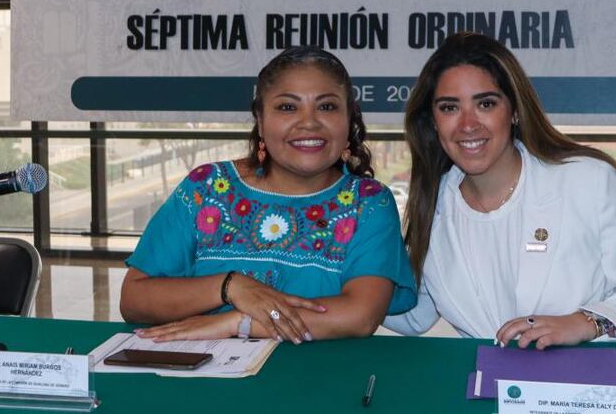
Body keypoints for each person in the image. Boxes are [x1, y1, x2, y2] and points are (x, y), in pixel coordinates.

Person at [383, 32, 616, 347]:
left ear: (514, 111)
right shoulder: (435, 202)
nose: (468, 124)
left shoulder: (589, 181)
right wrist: (337, 264)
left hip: (581, 385)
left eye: (485, 104)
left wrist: (583, 323)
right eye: (450, 108)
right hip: (487, 388)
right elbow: (414, 313)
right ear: (433, 122)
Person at [120, 47, 417, 344]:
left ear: (349, 118)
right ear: (260, 121)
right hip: (201, 379)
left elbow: (360, 316)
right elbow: (135, 299)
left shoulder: (368, 202)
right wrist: (230, 286)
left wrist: (239, 322)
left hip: (322, 383)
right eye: (288, 107)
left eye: (326, 107)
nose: (309, 122)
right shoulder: (206, 188)